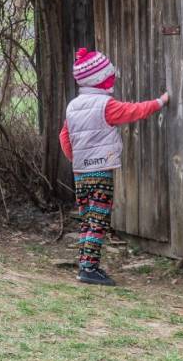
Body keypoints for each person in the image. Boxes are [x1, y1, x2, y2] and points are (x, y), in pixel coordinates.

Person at [59, 48, 169, 286]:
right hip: (100, 173)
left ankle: (84, 264)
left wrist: (76, 160)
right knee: (99, 220)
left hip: (80, 174)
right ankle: (90, 269)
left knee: (88, 219)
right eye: (110, 76)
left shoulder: (73, 106)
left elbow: (64, 138)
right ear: (100, 79)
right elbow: (134, 111)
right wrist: (160, 102)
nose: (113, 79)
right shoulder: (105, 105)